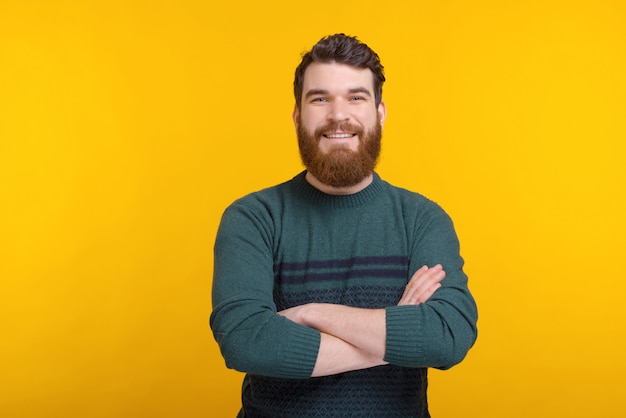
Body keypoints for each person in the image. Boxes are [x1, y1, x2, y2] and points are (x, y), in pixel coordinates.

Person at [210, 33, 478, 417]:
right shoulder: (254, 217)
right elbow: (246, 341)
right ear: (298, 115)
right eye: (320, 99)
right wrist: (396, 333)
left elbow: (448, 336)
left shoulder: (421, 219)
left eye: (356, 97)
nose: (339, 115)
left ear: (380, 112)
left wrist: (310, 313)